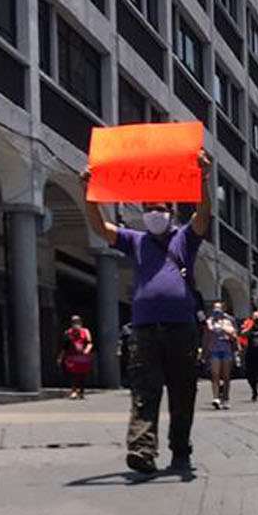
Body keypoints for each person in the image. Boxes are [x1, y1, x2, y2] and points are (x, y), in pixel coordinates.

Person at [82, 150, 215, 474]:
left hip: (181, 329)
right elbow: (100, 227)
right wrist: (89, 193)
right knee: (144, 391)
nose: (154, 213)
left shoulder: (184, 239)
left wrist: (202, 178)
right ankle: (142, 450)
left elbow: (204, 215)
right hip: (143, 330)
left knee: (183, 392)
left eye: (160, 208)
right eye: (149, 208)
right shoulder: (134, 240)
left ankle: (180, 451)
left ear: (171, 212)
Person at [204, 305, 239, 409]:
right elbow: (206, 337)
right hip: (214, 350)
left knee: (226, 376)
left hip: (226, 350)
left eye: (219, 310)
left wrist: (224, 329)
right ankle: (216, 397)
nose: (217, 312)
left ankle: (226, 398)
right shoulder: (209, 322)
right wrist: (204, 352)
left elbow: (234, 336)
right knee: (215, 374)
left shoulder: (228, 321)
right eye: (215, 310)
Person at [59, 315, 94, 400]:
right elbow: (64, 346)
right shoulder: (68, 332)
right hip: (72, 356)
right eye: (74, 322)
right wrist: (60, 357)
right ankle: (74, 391)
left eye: (78, 322)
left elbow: (90, 342)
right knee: (73, 374)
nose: (76, 323)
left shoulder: (85, 331)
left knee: (82, 374)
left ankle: (81, 391)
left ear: (81, 323)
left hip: (83, 356)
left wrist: (87, 350)